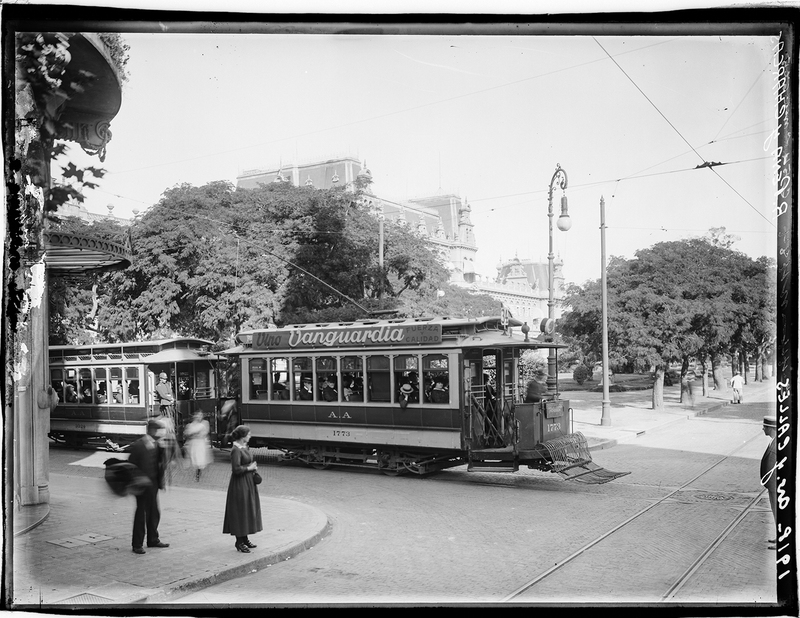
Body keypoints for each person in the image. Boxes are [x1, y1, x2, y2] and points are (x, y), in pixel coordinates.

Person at [127, 419, 169, 554]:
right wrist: (135, 481)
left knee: (154, 512)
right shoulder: (139, 445)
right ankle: (137, 544)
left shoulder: (157, 445)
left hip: (153, 485)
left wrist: (160, 482)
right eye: (158, 431)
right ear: (151, 431)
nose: (160, 434)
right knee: (141, 514)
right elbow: (130, 466)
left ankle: (153, 539)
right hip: (141, 486)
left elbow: (160, 464)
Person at [222, 425, 263, 553]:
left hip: (248, 482)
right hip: (240, 484)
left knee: (246, 509)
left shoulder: (244, 447)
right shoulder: (236, 450)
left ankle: (244, 539)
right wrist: (249, 468)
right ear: (242, 436)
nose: (250, 436)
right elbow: (235, 469)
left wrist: (252, 467)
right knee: (240, 510)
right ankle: (239, 542)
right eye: (248, 434)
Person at [760, 416, 778, 550]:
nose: (763, 429)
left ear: (771, 428)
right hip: (773, 486)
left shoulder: (777, 444)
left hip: (776, 486)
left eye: (765, 427)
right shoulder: (775, 441)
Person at [184, 411, 212, 482]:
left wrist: (194, 434)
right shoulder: (190, 425)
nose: (198, 417)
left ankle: (198, 474)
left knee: (199, 458)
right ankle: (196, 471)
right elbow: (187, 433)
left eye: (200, 416)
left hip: (200, 444)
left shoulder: (202, 425)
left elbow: (203, 434)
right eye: (197, 416)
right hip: (193, 444)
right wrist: (194, 434)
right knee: (194, 458)